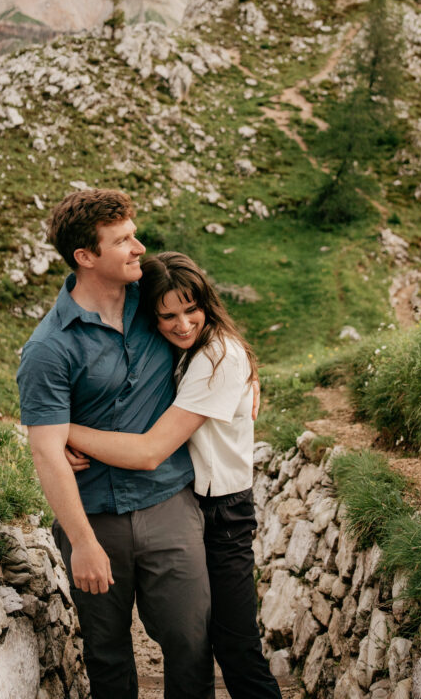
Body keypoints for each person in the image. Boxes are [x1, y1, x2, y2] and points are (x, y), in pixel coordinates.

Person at [16, 191, 214, 699]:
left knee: (191, 643)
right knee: (107, 655)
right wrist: (82, 542)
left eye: (134, 234)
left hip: (169, 502)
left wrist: (245, 375)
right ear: (85, 256)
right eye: (123, 240)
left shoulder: (155, 297)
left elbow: (207, 325)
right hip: (95, 517)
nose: (138, 247)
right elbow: (46, 451)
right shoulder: (47, 348)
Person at [66, 251, 283, 699]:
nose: (183, 324)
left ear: (207, 303)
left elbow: (150, 451)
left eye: (191, 310)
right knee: (199, 635)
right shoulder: (183, 347)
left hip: (224, 513)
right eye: (168, 315)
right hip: (185, 502)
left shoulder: (219, 356)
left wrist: (58, 431)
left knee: (236, 647)